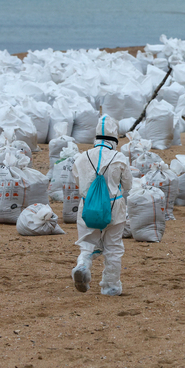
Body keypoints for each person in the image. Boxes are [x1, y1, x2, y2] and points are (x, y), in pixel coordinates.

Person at [71, 115, 132, 296]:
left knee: (88, 244)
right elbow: (128, 185)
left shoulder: (81, 158)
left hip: (87, 207)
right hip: (115, 207)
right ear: (114, 138)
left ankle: (82, 265)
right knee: (113, 247)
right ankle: (111, 286)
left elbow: (77, 181)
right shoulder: (119, 157)